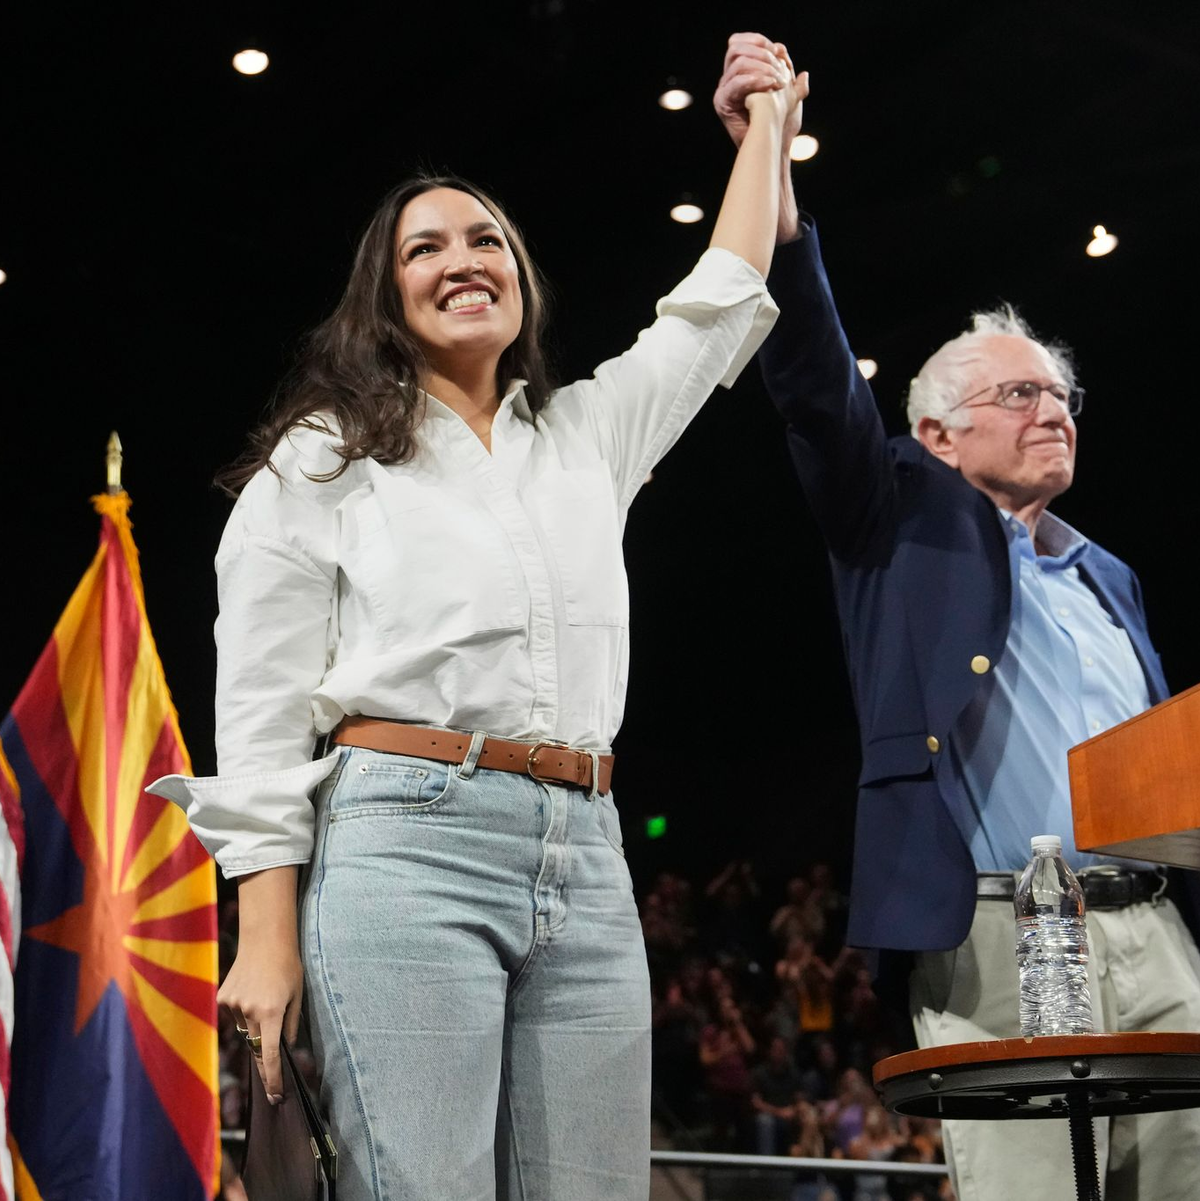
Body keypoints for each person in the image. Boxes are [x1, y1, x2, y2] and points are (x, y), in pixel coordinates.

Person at [148, 40, 807, 1201]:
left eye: (486, 240)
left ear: (523, 279)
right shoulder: (320, 462)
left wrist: (765, 122)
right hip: (403, 847)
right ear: (385, 295)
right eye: (426, 247)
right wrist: (266, 934)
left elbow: (721, 300)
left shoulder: (589, 438)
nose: (464, 261)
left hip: (590, 857)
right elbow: (256, 714)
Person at [713, 31, 1200, 1201]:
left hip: (1158, 930)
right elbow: (815, 378)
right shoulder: (894, 519)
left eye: (1062, 394)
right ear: (936, 433)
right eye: (1019, 392)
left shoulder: (1109, 575)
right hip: (996, 937)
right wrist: (769, 156)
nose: (1054, 411)